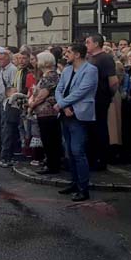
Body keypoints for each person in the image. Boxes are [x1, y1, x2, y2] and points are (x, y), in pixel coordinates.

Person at [54, 43, 99, 202]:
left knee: (78, 151)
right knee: (68, 151)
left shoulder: (91, 70)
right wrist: (62, 104)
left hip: (79, 114)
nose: (66, 55)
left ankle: (83, 188)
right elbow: (59, 89)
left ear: (78, 54)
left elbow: (82, 91)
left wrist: (62, 104)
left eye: (69, 52)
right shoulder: (66, 70)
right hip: (65, 114)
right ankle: (74, 182)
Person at [85, 34, 118, 171]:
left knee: (100, 128)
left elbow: (113, 81)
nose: (86, 45)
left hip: (100, 98)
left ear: (97, 43)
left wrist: (108, 95)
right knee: (91, 130)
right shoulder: (90, 58)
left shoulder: (105, 58)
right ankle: (91, 157)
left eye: (88, 42)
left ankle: (101, 159)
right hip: (90, 99)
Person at [29, 52, 62, 174]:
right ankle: (50, 162)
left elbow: (42, 95)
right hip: (44, 112)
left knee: (50, 140)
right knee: (47, 139)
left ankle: (52, 165)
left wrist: (32, 105)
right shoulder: (47, 75)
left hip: (48, 112)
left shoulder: (50, 76)